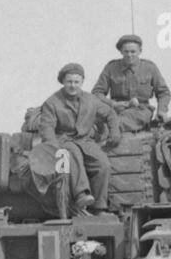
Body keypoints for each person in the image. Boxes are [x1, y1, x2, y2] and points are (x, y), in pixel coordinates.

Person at [36, 63, 121, 217]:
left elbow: (110, 114)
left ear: (82, 82)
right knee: (72, 152)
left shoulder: (91, 100)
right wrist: (55, 148)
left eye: (76, 82)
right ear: (63, 82)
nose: (73, 86)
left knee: (103, 164)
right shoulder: (52, 103)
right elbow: (47, 129)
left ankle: (99, 208)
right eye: (69, 82)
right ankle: (81, 194)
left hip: (85, 141)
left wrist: (114, 131)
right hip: (63, 140)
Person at [92, 34, 171, 133]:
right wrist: (113, 104)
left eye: (133, 51)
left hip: (140, 110)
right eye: (126, 51)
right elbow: (97, 92)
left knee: (118, 122)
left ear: (140, 51)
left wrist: (162, 110)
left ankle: (107, 130)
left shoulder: (149, 68)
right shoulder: (111, 67)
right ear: (121, 51)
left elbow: (163, 92)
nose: (129, 55)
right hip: (115, 109)